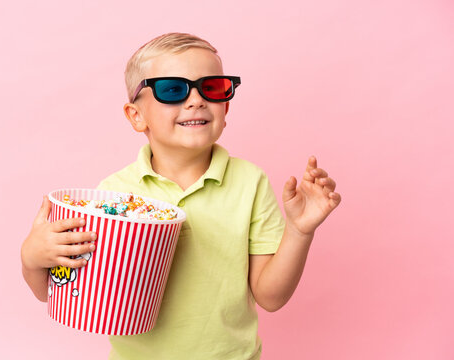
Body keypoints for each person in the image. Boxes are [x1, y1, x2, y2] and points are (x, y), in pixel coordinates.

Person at [21, 32, 341, 360]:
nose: (196, 100)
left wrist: (300, 231)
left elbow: (271, 296)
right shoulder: (114, 195)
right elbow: (68, 293)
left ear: (226, 106)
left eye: (212, 88)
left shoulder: (250, 182)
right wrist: (32, 259)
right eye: (172, 89)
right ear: (136, 116)